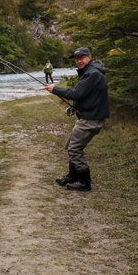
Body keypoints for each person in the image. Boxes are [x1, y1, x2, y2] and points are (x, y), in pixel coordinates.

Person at [45, 47, 110, 192]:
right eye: (77, 58)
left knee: (74, 148)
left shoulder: (92, 73)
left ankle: (84, 182)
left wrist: (55, 89)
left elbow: (76, 93)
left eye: (82, 58)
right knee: (70, 145)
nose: (79, 61)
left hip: (91, 119)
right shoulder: (89, 72)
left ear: (89, 57)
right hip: (87, 117)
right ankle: (72, 176)